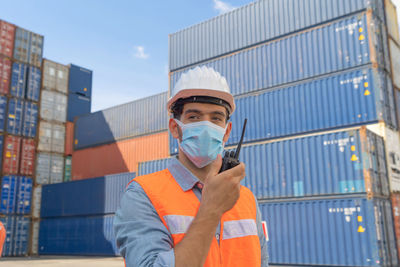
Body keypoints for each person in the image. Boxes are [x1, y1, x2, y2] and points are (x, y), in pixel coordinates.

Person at [114, 66, 268, 267]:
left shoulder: (247, 198)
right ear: (174, 128)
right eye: (194, 117)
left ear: (227, 131)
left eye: (216, 118)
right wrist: (211, 210)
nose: (206, 126)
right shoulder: (143, 195)